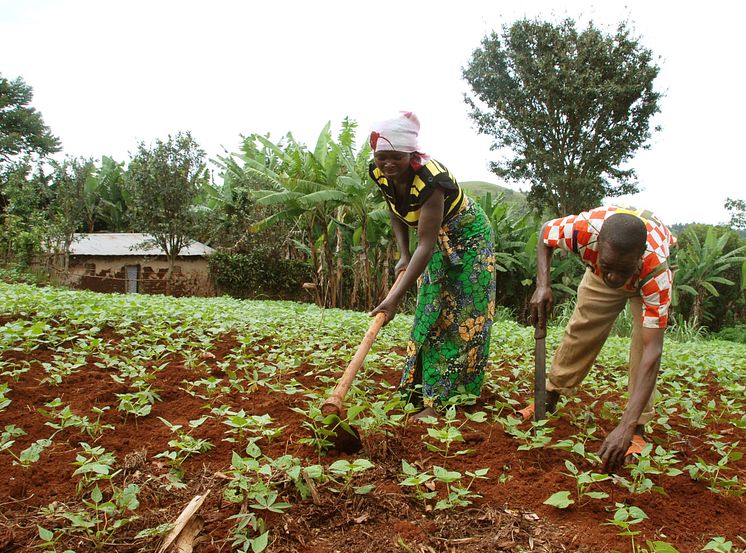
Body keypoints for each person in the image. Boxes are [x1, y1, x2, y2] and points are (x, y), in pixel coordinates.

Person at [527, 206, 677, 473]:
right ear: (597, 246)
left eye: (622, 270)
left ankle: (637, 427)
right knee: (583, 327)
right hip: (599, 271)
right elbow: (545, 233)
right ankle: (550, 395)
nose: (615, 278)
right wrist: (543, 284)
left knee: (642, 349)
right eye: (610, 267)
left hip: (643, 282)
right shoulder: (583, 231)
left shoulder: (657, 273)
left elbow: (653, 350)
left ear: (638, 257)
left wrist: (626, 427)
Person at [367, 112, 496, 420]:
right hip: (435, 239)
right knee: (430, 309)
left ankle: (443, 402)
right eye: (381, 157)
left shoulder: (430, 180)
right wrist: (402, 253)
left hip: (469, 239)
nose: (387, 164)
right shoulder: (379, 171)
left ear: (410, 153)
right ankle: (418, 389)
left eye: (395, 157)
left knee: (463, 317)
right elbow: (394, 207)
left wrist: (394, 297)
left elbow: (426, 244)